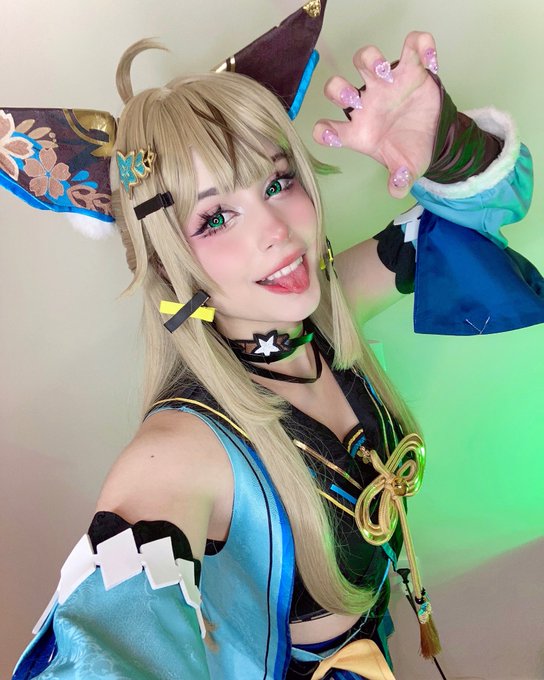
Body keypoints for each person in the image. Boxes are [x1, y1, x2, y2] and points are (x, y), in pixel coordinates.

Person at [8, 7, 539, 680]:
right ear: (169, 263)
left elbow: (474, 222)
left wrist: (445, 143)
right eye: (216, 217)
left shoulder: (325, 309)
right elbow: (108, 649)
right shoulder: (176, 456)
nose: (277, 231)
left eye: (278, 182)